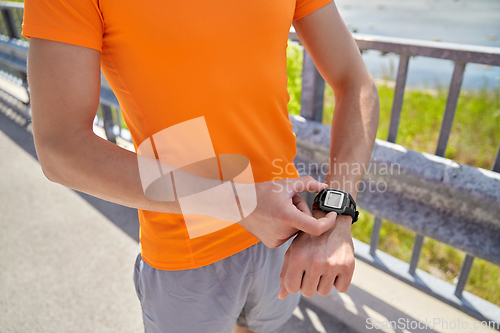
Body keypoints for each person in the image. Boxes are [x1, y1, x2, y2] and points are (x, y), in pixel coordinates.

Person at [21, 0, 379, 331]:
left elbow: (356, 83)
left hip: (284, 230)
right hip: (188, 254)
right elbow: (61, 147)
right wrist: (241, 203)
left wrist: (337, 213)